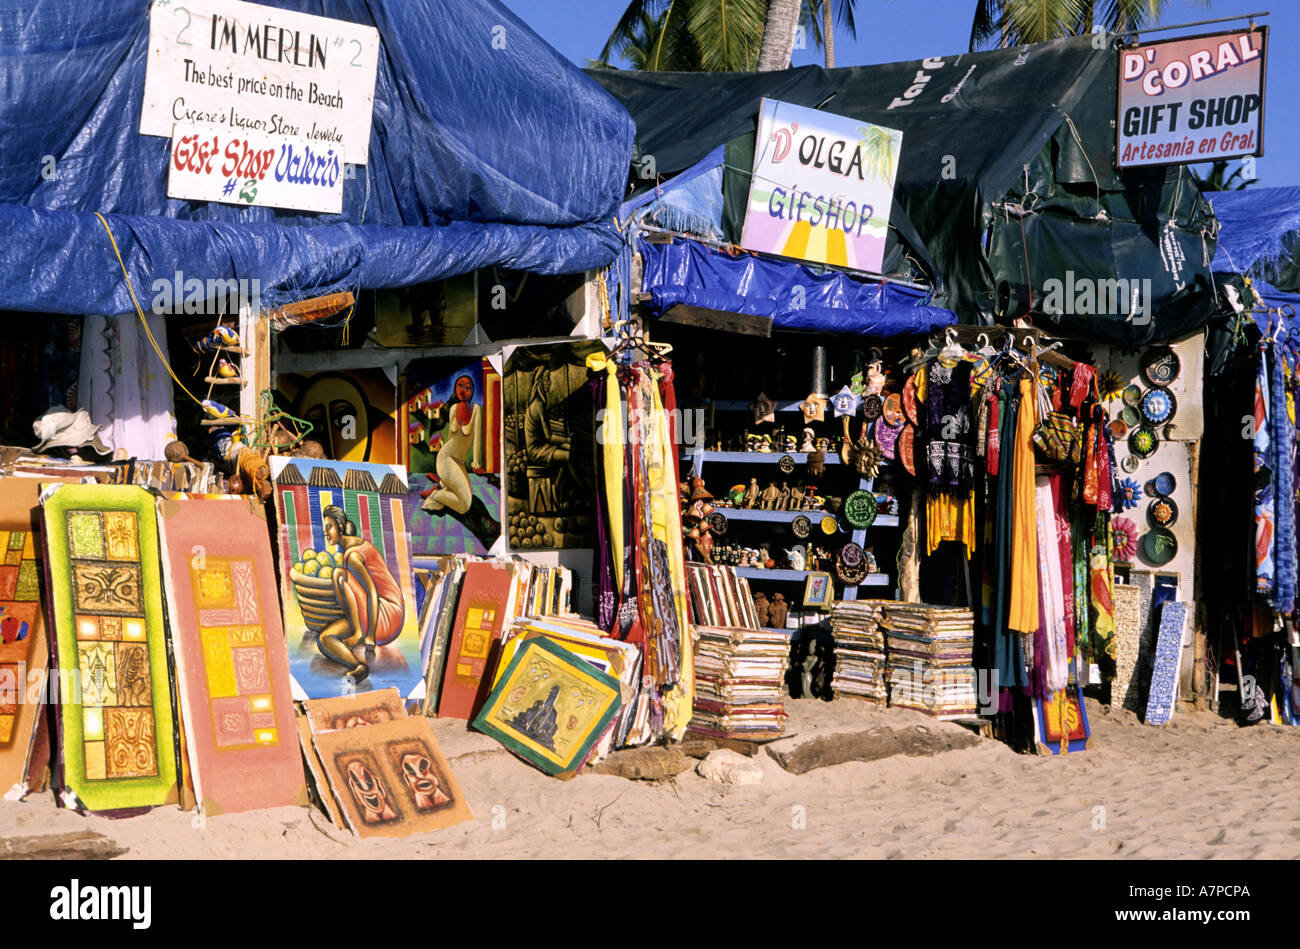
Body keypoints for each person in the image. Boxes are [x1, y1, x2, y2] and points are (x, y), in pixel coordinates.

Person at [316, 505, 405, 681]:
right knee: (324, 638)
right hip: (373, 613)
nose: (326, 533)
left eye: (329, 527)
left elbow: (372, 591)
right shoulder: (353, 549)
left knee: (338, 575)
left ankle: (358, 631)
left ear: (340, 527)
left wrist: (368, 635)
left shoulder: (353, 556)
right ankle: (358, 667)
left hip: (387, 615)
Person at [420, 374, 483, 515]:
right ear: (455, 388)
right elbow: (449, 437)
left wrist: (476, 464)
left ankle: (440, 490)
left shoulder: (476, 410)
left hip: (459, 462)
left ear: (472, 392)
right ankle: (436, 494)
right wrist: (441, 470)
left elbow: (477, 438)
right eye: (460, 386)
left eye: (468, 388)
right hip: (445, 458)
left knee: (465, 499)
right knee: (465, 505)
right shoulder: (453, 408)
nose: (463, 390)